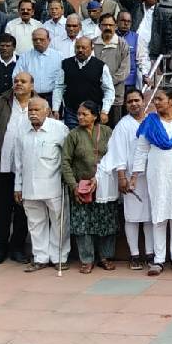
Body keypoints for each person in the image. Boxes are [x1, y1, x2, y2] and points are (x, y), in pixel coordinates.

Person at [130, 86, 172, 276]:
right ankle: (158, 260)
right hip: (157, 172)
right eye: (155, 100)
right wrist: (135, 175)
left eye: (159, 99)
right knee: (158, 214)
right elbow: (141, 150)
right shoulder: (150, 121)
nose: (156, 103)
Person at [0, 71, 33, 265]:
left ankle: (17, 248)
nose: (18, 84)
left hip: (26, 168)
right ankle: (0, 247)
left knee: (22, 210)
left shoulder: (38, 104)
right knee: (0, 210)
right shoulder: (1, 102)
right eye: (16, 81)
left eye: (23, 81)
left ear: (32, 85)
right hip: (1, 166)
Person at [14, 98, 70, 272]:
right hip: (29, 186)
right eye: (30, 110)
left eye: (37, 110)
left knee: (59, 222)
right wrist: (18, 186)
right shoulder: (22, 130)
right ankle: (40, 257)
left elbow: (67, 156)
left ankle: (59, 257)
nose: (33, 113)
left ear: (47, 111)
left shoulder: (59, 129)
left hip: (53, 184)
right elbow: (18, 162)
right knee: (35, 223)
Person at [62, 100, 117, 274]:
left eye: (84, 114)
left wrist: (100, 177)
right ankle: (87, 259)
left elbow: (116, 155)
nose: (80, 117)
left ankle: (105, 257)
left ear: (95, 115)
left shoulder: (108, 132)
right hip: (82, 187)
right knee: (82, 224)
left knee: (106, 222)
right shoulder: (73, 135)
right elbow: (65, 162)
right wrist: (73, 186)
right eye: (78, 114)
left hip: (104, 185)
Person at [104, 89, 152, 269]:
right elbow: (118, 152)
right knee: (132, 217)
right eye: (130, 101)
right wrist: (121, 176)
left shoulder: (151, 120)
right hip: (130, 177)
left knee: (149, 216)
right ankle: (134, 255)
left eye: (136, 100)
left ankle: (150, 254)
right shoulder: (123, 125)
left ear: (143, 101)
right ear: (126, 105)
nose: (133, 104)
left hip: (150, 176)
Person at [95, 14, 130, 121]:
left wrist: (107, 83)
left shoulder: (122, 44)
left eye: (111, 25)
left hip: (116, 95)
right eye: (105, 25)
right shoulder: (93, 43)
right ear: (99, 26)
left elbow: (124, 71)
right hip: (96, 95)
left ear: (115, 26)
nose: (108, 28)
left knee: (114, 130)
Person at [15, 29, 62, 103]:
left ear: (49, 40)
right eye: (35, 39)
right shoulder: (25, 57)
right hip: (30, 97)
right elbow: (16, 77)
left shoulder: (58, 56)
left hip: (52, 98)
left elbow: (61, 81)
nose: (38, 42)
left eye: (41, 39)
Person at [0, 34, 19, 106]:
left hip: (15, 104)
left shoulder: (21, 62)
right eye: (2, 46)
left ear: (14, 48)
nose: (4, 48)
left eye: (8, 46)